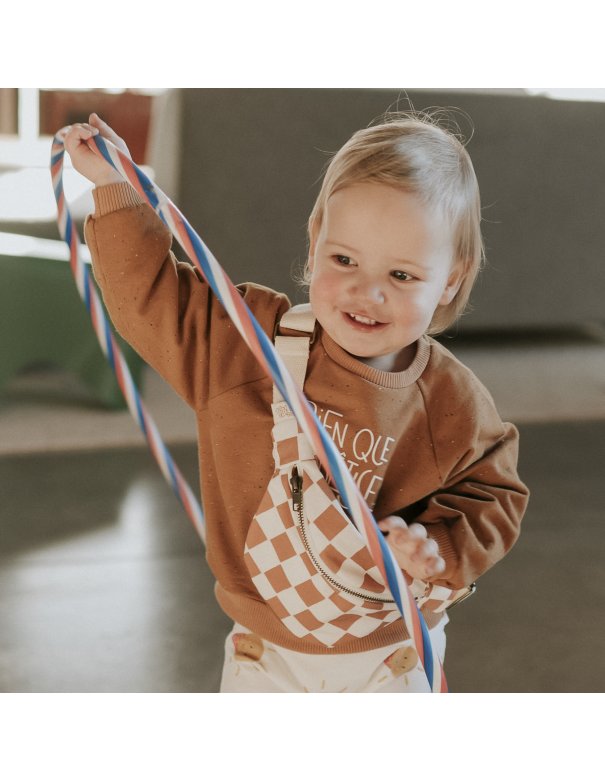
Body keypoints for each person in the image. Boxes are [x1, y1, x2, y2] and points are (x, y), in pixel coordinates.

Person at [63, 108, 529, 692]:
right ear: (315, 243)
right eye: (344, 260)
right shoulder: (246, 345)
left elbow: (494, 494)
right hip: (266, 653)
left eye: (404, 275)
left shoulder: (452, 402)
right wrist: (115, 189)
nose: (368, 290)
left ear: (452, 280)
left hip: (389, 652)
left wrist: (437, 546)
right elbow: (150, 301)